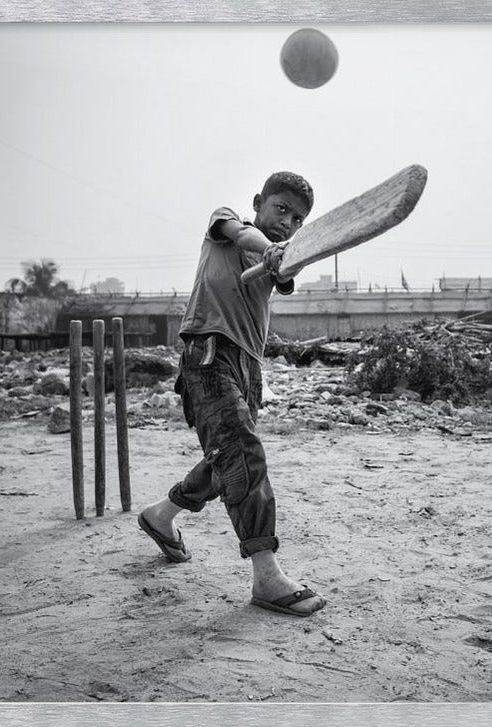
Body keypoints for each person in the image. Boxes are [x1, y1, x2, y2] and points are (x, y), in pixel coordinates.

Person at [137, 171, 327, 617]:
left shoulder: (282, 257)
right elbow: (243, 234)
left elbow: (285, 274)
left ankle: (161, 515)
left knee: (226, 460)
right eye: (281, 209)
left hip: (248, 366)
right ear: (259, 202)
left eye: (297, 219)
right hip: (209, 354)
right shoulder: (227, 225)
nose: (287, 222)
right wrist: (271, 247)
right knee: (243, 455)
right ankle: (266, 575)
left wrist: (289, 257)